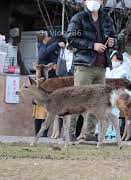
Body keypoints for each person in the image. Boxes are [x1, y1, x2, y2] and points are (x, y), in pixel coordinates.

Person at [66, 0, 116, 141]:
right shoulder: (78, 18)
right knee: (77, 99)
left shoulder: (106, 19)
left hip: (101, 66)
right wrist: (91, 45)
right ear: (85, 1)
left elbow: (114, 37)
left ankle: (88, 134)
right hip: (84, 66)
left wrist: (112, 42)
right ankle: (69, 133)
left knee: (97, 102)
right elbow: (71, 38)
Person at [33, 33, 65, 137]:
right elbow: (43, 54)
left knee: (49, 110)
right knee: (40, 109)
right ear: (44, 39)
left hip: (51, 83)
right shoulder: (43, 47)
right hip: (43, 83)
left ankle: (44, 133)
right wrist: (56, 45)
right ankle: (39, 133)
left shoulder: (51, 49)